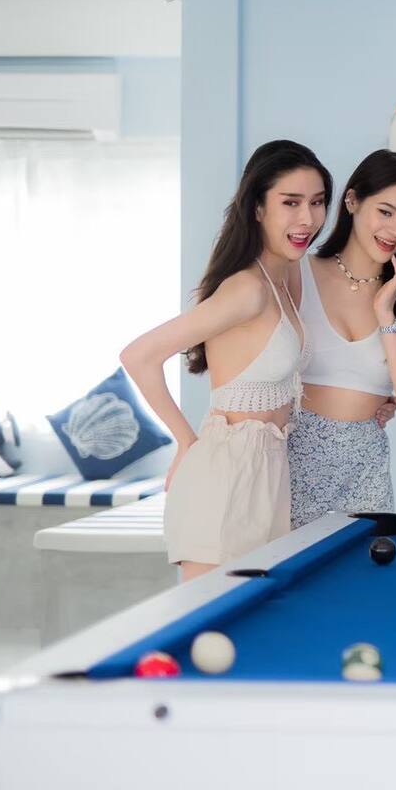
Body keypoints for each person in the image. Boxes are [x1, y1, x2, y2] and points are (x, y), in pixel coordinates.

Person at [121, 140, 331, 580]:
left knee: (259, 617)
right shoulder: (247, 289)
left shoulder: (285, 275)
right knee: (209, 619)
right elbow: (139, 356)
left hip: (270, 478)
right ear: (257, 208)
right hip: (225, 481)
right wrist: (186, 442)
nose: (308, 218)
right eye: (290, 202)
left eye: (317, 202)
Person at [288, 149, 396, 526]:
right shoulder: (296, 273)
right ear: (352, 201)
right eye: (385, 212)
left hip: (365, 476)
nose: (395, 230)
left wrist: (385, 312)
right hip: (289, 467)